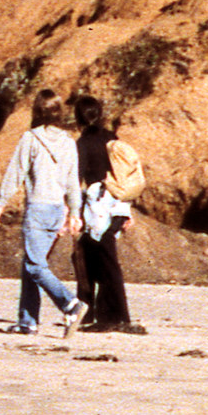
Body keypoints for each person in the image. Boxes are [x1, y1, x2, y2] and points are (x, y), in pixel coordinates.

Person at [0, 89, 86, 337]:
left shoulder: (30, 139)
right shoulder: (68, 142)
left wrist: (0, 203)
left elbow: (15, 173)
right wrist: (74, 212)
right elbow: (73, 182)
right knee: (30, 264)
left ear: (37, 111)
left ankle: (70, 304)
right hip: (57, 210)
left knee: (34, 266)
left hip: (38, 209)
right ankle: (28, 321)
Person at [72, 94, 134, 333]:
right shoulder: (112, 138)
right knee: (100, 257)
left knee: (99, 259)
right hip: (118, 202)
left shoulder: (83, 143)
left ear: (78, 118)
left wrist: (74, 213)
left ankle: (113, 316)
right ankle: (98, 313)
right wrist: (128, 210)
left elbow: (76, 181)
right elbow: (125, 173)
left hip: (98, 206)